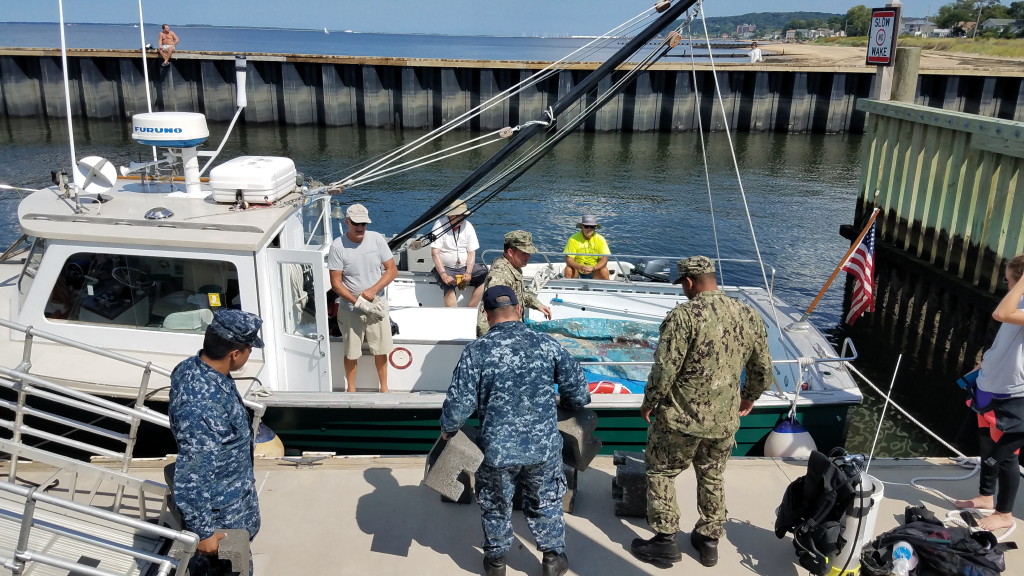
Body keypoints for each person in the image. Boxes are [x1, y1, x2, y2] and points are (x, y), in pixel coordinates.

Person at [630, 256, 772, 567]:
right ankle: (708, 540)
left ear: (690, 281)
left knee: (661, 471)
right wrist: (749, 397)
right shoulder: (748, 314)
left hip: (680, 419)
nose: (683, 289)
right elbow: (762, 368)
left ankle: (666, 540)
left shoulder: (683, 316)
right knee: (712, 475)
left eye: (682, 283)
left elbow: (665, 368)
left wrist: (649, 401)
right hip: (724, 421)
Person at [441, 285, 591, 576]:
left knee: (496, 504)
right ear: (519, 310)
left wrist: (448, 429)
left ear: (485, 314)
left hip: (496, 451)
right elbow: (579, 393)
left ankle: (496, 563)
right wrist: (569, 403)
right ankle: (551, 560)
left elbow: (458, 406)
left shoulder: (476, 351)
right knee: (545, 500)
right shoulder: (547, 344)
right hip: (543, 448)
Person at [168, 309, 263, 575]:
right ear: (235, 354)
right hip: (221, 521)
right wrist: (205, 532)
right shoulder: (202, 404)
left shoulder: (193, 367)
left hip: (232, 502)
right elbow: (193, 473)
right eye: (249, 349)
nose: (249, 354)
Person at [955, 254, 1024, 531]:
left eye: (1009, 280)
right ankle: (985, 496)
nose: (1006, 285)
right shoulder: (1017, 301)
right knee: (985, 442)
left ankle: (1004, 513)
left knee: (1005, 455)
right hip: (989, 385)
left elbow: (1000, 314)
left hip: (1014, 394)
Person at [328, 204, 397, 392]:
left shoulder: (377, 240)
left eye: (364, 224)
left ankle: (384, 388)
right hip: (350, 310)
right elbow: (336, 283)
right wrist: (357, 302)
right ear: (347, 222)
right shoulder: (337, 246)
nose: (360, 228)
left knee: (381, 350)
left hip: (376, 307)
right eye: (356, 223)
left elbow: (392, 270)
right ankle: (351, 389)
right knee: (351, 353)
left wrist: (373, 290)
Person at [476, 230, 552, 337]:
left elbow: (519, 294)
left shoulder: (514, 267)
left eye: (529, 253)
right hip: (500, 336)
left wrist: (538, 305)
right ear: (510, 252)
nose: (528, 256)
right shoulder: (500, 275)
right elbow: (494, 311)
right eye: (524, 253)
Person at [430, 199, 487, 307]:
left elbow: (471, 252)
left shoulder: (468, 226)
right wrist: (443, 275)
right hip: (446, 268)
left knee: (486, 277)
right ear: (451, 216)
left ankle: (470, 308)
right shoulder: (439, 225)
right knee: (449, 288)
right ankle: (453, 315)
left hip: (464, 267)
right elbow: (435, 253)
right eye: (459, 216)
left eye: (463, 216)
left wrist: (469, 272)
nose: (462, 219)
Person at [563, 215, 611, 280]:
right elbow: (569, 260)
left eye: (592, 227)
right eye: (586, 226)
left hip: (595, 270)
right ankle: (570, 288)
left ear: (595, 228)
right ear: (582, 227)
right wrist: (580, 267)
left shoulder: (600, 239)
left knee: (604, 270)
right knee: (568, 269)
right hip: (578, 270)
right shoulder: (573, 239)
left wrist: (593, 268)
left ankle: (605, 288)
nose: (589, 229)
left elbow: (604, 260)